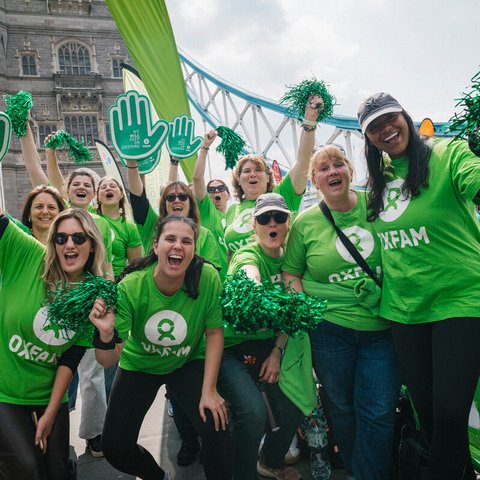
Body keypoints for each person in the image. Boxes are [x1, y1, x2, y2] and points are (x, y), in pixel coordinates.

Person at [357, 92, 480, 480]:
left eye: (389, 118)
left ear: (404, 116)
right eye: (374, 127)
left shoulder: (449, 153)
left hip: (459, 300)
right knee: (428, 415)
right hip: (403, 310)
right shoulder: (379, 180)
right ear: (369, 139)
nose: (385, 130)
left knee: (449, 412)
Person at [282, 98, 400, 479]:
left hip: (382, 328)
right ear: (314, 181)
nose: (332, 171)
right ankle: (359, 470)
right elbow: (291, 274)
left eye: (338, 164)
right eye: (322, 168)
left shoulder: (379, 206)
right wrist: (304, 305)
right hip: (329, 331)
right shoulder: (305, 223)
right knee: (342, 408)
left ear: (350, 171)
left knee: (379, 410)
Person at [89, 215, 232, 480]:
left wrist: (209, 390)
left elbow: (214, 333)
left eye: (186, 241)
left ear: (194, 249)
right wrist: (106, 335)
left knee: (217, 424)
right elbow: (107, 361)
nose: (178, 246)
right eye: (170, 239)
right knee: (115, 447)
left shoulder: (208, 278)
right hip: (140, 365)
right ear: (156, 246)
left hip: (187, 362)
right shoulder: (131, 286)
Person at [0, 207, 106, 479]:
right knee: (27, 469)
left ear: (92, 244)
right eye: (61, 238)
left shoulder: (92, 294)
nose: (69, 244)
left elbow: (69, 360)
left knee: (57, 472)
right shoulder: (27, 254)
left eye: (79, 238)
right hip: (4, 392)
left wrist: (49, 414)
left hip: (49, 394)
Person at [219, 192, 315, 480]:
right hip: (230, 347)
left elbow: (292, 312)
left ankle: (270, 461)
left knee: (294, 405)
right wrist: (252, 286)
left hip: (267, 344)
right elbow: (248, 273)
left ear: (288, 223)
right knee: (252, 413)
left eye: (279, 217)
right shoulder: (247, 254)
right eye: (263, 218)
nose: (271, 223)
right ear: (254, 226)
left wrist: (277, 351)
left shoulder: (292, 262)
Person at [224, 100, 317, 255]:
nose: (252, 174)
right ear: (238, 180)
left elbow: (303, 162)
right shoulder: (232, 209)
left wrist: (309, 121)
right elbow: (230, 253)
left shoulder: (281, 196)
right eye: (246, 171)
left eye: (258, 170)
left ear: (268, 177)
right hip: (241, 277)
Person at [126, 159, 222, 273]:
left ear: (191, 203)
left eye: (182, 197)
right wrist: (132, 163)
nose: (177, 200)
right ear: (164, 205)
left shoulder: (205, 234)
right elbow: (138, 199)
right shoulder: (152, 226)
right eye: (171, 197)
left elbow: (211, 273)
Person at [192, 130, 231, 279]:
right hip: (213, 279)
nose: (217, 192)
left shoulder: (236, 217)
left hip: (238, 280)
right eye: (211, 190)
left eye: (221, 188)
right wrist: (205, 147)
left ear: (228, 194)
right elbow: (197, 178)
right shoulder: (207, 211)